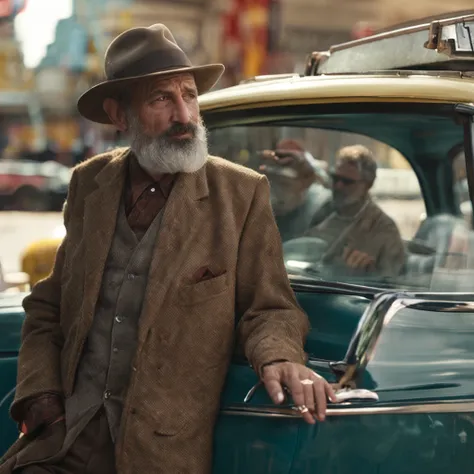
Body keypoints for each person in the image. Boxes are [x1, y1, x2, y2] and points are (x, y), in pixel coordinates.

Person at [0, 24, 336, 474]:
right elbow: (49, 305)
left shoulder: (241, 193)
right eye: (162, 98)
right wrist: (41, 396)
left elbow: (270, 307)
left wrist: (280, 357)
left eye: (190, 96)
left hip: (158, 454)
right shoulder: (88, 183)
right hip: (66, 441)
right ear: (120, 116)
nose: (185, 115)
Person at [305, 145, 405, 276]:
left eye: (347, 181)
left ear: (367, 185)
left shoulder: (383, 228)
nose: (338, 186)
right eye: (335, 178)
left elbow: (392, 281)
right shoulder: (322, 211)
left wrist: (365, 271)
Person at [258, 139, 331, 241]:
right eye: (272, 181)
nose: (276, 190)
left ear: (304, 183)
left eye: (284, 184)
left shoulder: (319, 205)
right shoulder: (261, 205)